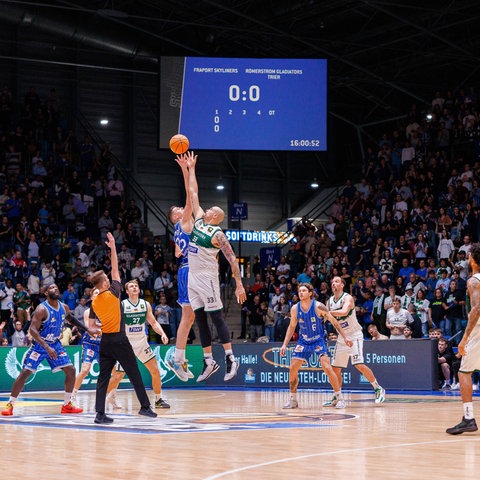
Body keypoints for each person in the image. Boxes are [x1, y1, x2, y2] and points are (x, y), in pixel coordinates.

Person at [186, 152, 246, 381]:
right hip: (193, 276)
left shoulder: (217, 233)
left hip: (207, 277)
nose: (206, 209)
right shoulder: (200, 220)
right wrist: (191, 168)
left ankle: (231, 357)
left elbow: (232, 258)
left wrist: (239, 285)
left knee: (217, 317)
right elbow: (193, 193)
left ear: (215, 216)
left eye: (210, 209)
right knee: (200, 319)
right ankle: (209, 361)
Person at [89, 232, 157, 424]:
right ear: (103, 284)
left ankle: (99, 414)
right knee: (134, 372)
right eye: (106, 280)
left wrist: (99, 328)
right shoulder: (113, 293)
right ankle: (145, 407)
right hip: (119, 339)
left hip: (106, 342)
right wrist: (113, 249)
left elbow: (93, 325)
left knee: (103, 378)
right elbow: (116, 269)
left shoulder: (95, 303)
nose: (109, 281)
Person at [1, 284, 99, 416]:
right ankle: (10, 404)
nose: (56, 289)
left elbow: (71, 319)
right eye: (52, 288)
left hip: (55, 344)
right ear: (46, 293)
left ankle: (67, 405)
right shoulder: (42, 309)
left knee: (71, 370)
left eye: (57, 288)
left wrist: (87, 329)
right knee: (25, 372)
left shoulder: (64, 307)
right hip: (40, 345)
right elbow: (32, 330)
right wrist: (46, 347)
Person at [280, 283, 353, 409]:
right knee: (293, 368)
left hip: (319, 340)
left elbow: (334, 321)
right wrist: (284, 344)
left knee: (327, 367)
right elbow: (292, 327)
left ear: (310, 293)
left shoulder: (319, 306)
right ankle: (293, 400)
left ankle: (339, 397)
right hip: (303, 341)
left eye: (303, 291)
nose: (301, 293)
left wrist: (345, 337)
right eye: (299, 291)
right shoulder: (295, 309)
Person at [105, 279, 170, 410]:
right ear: (127, 291)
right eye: (131, 286)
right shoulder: (122, 305)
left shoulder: (145, 304)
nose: (134, 288)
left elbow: (153, 322)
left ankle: (158, 399)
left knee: (155, 371)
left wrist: (162, 333)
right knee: (117, 376)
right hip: (126, 344)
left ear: (139, 290)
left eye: (136, 286)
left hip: (141, 343)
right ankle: (101, 398)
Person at [326, 276, 386, 406]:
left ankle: (378, 388)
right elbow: (334, 321)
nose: (333, 283)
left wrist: (326, 312)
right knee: (335, 369)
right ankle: (337, 396)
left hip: (354, 335)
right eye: (332, 281)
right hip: (342, 336)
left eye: (336, 281)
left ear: (342, 285)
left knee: (359, 364)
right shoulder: (329, 301)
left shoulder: (347, 298)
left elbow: (344, 311)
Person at [165, 151, 196, 381]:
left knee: (191, 317)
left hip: (189, 268)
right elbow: (189, 193)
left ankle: (178, 357)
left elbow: (177, 251)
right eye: (177, 209)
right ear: (175, 217)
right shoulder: (184, 221)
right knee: (189, 316)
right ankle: (176, 358)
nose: (180, 208)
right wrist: (186, 169)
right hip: (189, 270)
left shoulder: (179, 231)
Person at [446, 243, 480, 435]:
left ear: (473, 259)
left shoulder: (474, 280)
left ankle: (468, 418)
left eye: (468, 257)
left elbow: (476, 310)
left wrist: (465, 338)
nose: (467, 260)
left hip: (478, 330)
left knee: (464, 372)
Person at [71, 288, 102, 406]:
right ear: (91, 297)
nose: (98, 295)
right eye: (95, 293)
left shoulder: (106, 311)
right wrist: (104, 327)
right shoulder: (87, 312)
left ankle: (111, 395)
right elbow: (90, 328)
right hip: (90, 343)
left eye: (100, 293)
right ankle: (72, 394)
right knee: (84, 370)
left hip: (103, 344)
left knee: (114, 372)